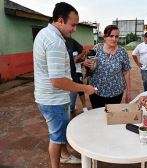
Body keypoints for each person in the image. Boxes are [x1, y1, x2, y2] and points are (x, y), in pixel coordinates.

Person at [33, 2, 96, 168]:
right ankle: (57, 163)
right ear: (60, 21)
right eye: (73, 25)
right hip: (53, 99)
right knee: (56, 137)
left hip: (46, 96)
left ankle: (65, 155)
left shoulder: (44, 33)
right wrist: (85, 88)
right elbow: (57, 80)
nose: (74, 29)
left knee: (58, 133)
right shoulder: (55, 42)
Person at [84, 25, 131, 108]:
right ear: (105, 37)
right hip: (96, 91)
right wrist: (86, 63)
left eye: (116, 36)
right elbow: (88, 64)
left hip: (116, 92)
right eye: (111, 36)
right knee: (98, 115)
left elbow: (126, 72)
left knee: (112, 116)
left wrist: (129, 91)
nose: (114, 39)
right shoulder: (96, 49)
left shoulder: (122, 52)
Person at [65, 37, 88, 114]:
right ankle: (72, 105)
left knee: (80, 88)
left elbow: (83, 55)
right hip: (68, 73)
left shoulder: (75, 47)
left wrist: (76, 59)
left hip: (77, 71)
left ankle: (84, 106)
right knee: (70, 90)